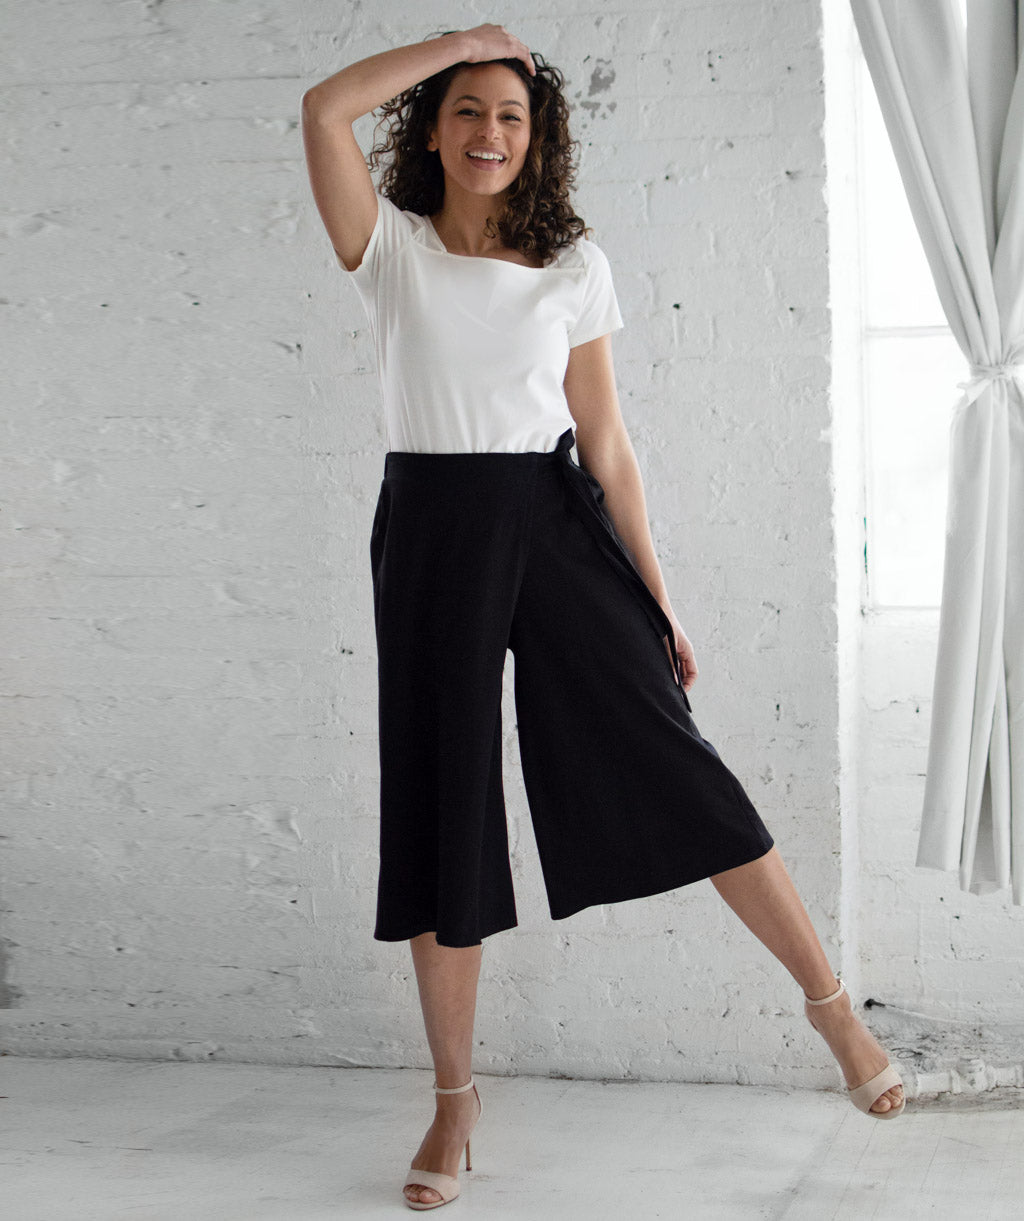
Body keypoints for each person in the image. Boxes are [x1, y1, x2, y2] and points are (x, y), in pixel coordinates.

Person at [301, 23, 905, 1211]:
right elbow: (324, 110)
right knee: (440, 805)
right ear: (433, 128)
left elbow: (609, 441)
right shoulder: (392, 247)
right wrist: (463, 40)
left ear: (537, 140)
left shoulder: (573, 261)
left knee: (676, 761)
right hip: (431, 531)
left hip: (554, 517)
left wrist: (655, 600)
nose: (490, 133)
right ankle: (453, 1101)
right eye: (468, 110)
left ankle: (832, 1012)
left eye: (511, 116)